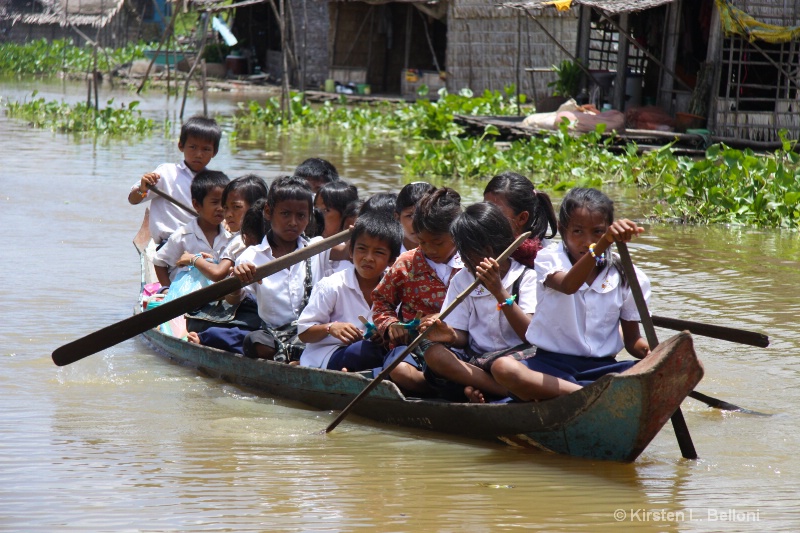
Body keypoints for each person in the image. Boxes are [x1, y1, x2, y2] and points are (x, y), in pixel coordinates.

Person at [489, 187, 650, 401]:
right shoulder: (548, 259)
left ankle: (597, 394)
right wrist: (603, 243)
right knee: (503, 368)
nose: (587, 241)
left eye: (597, 232)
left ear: (608, 230)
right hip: (551, 367)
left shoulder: (629, 275)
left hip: (602, 370)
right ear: (563, 230)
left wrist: (653, 354)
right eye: (577, 232)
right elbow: (568, 285)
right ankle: (589, 397)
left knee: (660, 371)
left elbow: (632, 341)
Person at [419, 202, 537, 401]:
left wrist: (500, 292)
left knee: (509, 369)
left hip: (516, 359)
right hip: (476, 361)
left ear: (488, 249)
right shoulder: (462, 279)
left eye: (466, 253)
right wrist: (449, 335)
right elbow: (461, 336)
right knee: (433, 354)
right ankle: (500, 391)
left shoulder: (526, 278)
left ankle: (485, 389)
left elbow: (529, 335)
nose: (463, 260)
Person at [371, 187, 463, 395]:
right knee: (400, 371)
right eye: (422, 242)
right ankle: (447, 391)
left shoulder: (470, 262)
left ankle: (455, 386)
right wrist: (392, 324)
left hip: (459, 345)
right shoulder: (406, 263)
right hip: (413, 347)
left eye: (438, 243)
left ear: (456, 233)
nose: (429, 249)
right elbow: (380, 302)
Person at [226, 175, 323, 361]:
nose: (293, 222)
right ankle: (294, 360)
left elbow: (347, 252)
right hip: (273, 336)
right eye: (285, 214)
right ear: (268, 212)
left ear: (309, 217)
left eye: (301, 216)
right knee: (254, 341)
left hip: (311, 333)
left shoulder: (317, 248)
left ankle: (300, 358)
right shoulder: (250, 257)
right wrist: (236, 283)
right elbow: (232, 301)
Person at [297, 214, 403, 370]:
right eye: (362, 249)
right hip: (329, 354)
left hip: (375, 352)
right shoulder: (332, 285)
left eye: (379, 252)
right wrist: (331, 328)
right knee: (364, 351)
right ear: (351, 252)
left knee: (398, 352)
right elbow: (304, 332)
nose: (368, 258)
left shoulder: (396, 288)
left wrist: (385, 336)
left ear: (392, 260)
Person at [128, 115, 222, 244]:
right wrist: (142, 189)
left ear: (214, 152)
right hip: (169, 243)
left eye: (206, 149)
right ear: (181, 146)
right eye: (193, 147)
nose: (199, 154)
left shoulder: (216, 183)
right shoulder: (166, 173)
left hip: (202, 245)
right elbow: (133, 200)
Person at [152, 170, 232, 290]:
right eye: (215, 202)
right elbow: (159, 262)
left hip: (215, 295)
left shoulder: (229, 238)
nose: (220, 208)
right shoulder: (183, 235)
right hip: (184, 295)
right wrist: (167, 290)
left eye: (224, 203)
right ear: (197, 205)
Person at [181, 174, 268, 282]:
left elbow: (217, 273)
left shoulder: (241, 240)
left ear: (255, 207)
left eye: (236, 207)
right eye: (226, 208)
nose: (228, 215)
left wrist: (193, 259)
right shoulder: (267, 235)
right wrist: (211, 261)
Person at [483, 171, 557, 268]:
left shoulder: (547, 258)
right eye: (484, 209)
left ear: (522, 218)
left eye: (495, 213)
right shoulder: (478, 248)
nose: (485, 217)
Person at [395, 182, 433, 253]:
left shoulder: (452, 254)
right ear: (397, 217)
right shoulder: (388, 254)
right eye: (410, 216)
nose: (417, 223)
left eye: (424, 215)